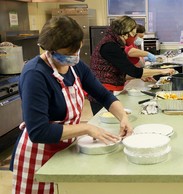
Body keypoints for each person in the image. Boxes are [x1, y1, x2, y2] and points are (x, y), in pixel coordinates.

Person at [10, 16, 133, 194]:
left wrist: (123, 117)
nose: (71, 57)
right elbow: (38, 131)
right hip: (38, 155)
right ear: (50, 50)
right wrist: (87, 128)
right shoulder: (35, 75)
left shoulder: (76, 67)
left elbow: (104, 95)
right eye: (65, 54)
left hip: (65, 150)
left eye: (74, 51)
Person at [90, 16, 174, 115]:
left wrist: (142, 76)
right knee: (103, 120)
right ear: (126, 32)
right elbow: (134, 71)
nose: (135, 37)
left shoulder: (114, 43)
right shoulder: (110, 46)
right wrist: (162, 71)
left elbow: (120, 72)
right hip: (100, 91)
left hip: (105, 90)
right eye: (134, 33)